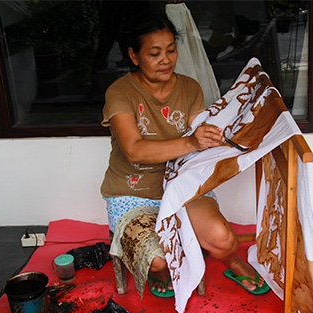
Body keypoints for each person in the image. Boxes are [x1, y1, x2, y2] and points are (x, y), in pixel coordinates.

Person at [100, 11, 268, 298]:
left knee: (224, 239)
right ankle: (162, 271)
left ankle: (231, 260)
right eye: (154, 53)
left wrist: (230, 135)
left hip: (182, 183)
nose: (165, 60)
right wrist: (192, 142)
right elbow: (134, 150)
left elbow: (202, 137)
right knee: (159, 260)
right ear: (134, 55)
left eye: (171, 50)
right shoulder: (120, 93)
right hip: (133, 194)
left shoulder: (189, 87)